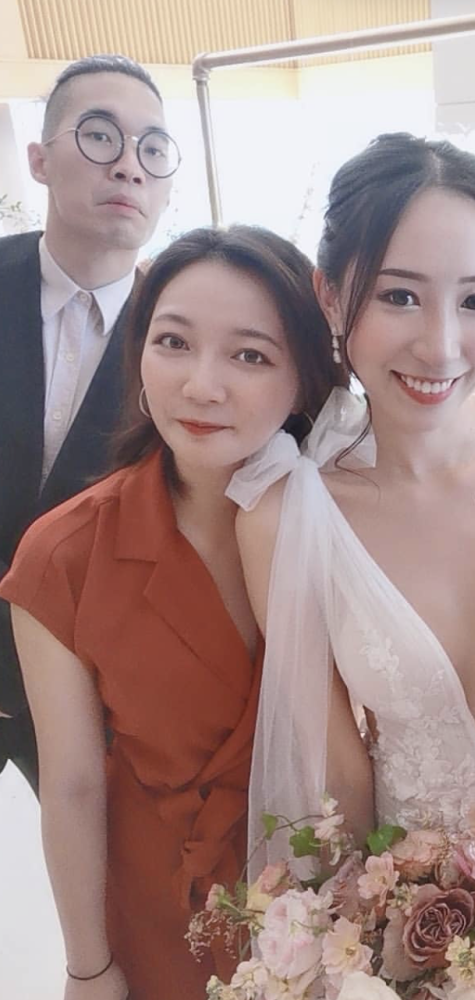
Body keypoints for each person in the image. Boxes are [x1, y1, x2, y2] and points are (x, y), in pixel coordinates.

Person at [230, 133, 475, 873]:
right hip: (426, 918)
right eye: (399, 296)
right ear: (331, 295)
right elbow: (338, 779)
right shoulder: (287, 516)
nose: (440, 346)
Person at [0, 226, 340, 1000]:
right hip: (160, 920)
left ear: (303, 378)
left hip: (334, 912)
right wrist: (88, 967)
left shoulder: (350, 529)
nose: (201, 386)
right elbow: (72, 786)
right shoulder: (64, 554)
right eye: (173, 343)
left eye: (250, 355)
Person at [0, 54, 178, 792]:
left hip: (87, 691)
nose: (130, 166)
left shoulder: (179, 335)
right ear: (39, 160)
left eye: (153, 149)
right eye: (100, 135)